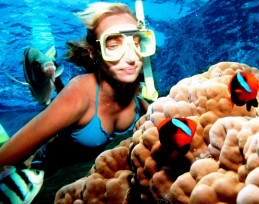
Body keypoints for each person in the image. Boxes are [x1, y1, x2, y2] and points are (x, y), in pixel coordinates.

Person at [0, 2, 155, 175]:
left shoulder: (136, 81)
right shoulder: (79, 93)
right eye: (113, 46)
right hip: (46, 167)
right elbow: (4, 158)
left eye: (136, 42)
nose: (132, 56)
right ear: (92, 52)